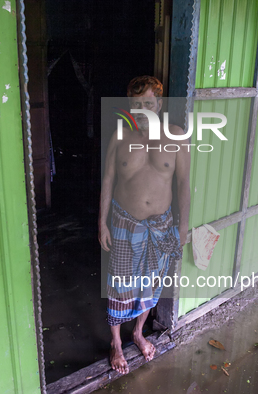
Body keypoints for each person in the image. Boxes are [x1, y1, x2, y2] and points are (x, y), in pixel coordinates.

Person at [99, 76, 190, 374]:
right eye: (135, 104)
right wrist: (102, 222)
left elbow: (184, 185)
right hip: (125, 224)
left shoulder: (177, 136)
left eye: (147, 103)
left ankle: (137, 333)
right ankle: (115, 341)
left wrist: (184, 228)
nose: (141, 109)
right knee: (120, 286)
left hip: (162, 227)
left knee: (149, 287)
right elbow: (109, 180)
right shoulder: (120, 136)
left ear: (159, 104)